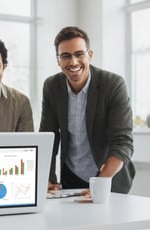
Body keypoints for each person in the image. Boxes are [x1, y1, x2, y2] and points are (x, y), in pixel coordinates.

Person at [39, 26, 135, 194]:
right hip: (71, 177)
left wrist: (99, 184)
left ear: (89, 55)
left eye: (79, 54)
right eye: (66, 56)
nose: (73, 62)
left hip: (109, 179)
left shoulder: (113, 84)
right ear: (58, 60)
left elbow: (122, 141)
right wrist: (46, 178)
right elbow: (48, 137)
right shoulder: (51, 86)